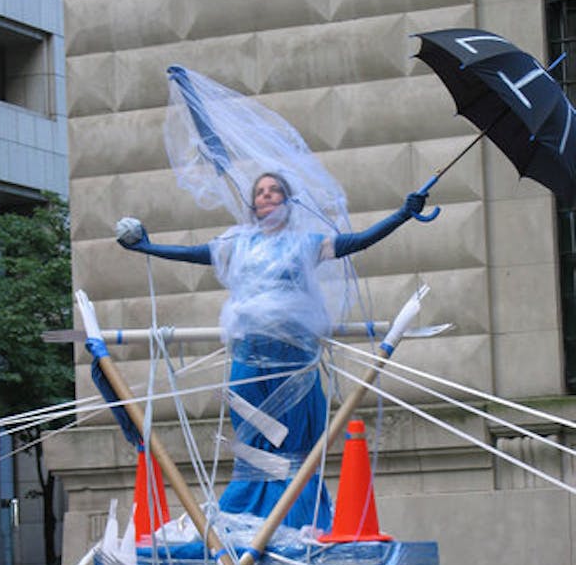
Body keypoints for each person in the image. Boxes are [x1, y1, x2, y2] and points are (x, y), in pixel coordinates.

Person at [116, 173, 426, 531]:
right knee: (253, 448)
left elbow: (357, 242)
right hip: (249, 359)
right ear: (253, 204)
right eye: (260, 192)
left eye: (274, 190)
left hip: (294, 361)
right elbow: (191, 254)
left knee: (294, 450)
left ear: (287, 201)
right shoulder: (236, 245)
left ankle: (295, 523)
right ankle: (247, 523)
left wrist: (403, 215)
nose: (266, 196)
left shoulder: (306, 244)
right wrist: (146, 248)